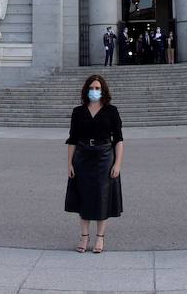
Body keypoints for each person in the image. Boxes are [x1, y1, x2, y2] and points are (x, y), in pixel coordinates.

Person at [65, 73, 124, 254]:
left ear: (103, 90)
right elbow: (72, 139)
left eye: (97, 88)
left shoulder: (111, 111)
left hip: (104, 156)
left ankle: (100, 237)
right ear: (86, 90)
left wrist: (118, 164)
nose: (94, 91)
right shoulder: (78, 111)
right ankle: (84, 236)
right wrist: (69, 163)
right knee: (84, 195)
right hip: (82, 156)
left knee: (102, 196)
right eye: (91, 88)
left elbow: (119, 139)